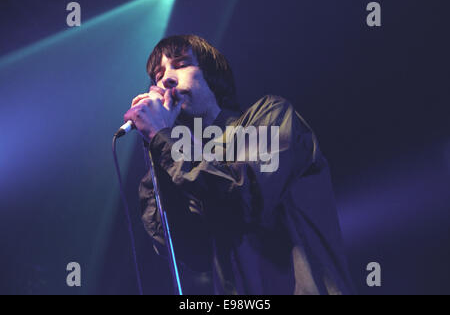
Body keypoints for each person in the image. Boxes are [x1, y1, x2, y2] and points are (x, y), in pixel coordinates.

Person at [124, 34, 354, 295]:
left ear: (210, 74)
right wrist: (157, 149)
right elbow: (190, 252)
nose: (165, 79)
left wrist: (164, 140)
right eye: (158, 75)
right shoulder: (177, 159)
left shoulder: (271, 116)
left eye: (180, 64)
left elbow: (243, 196)